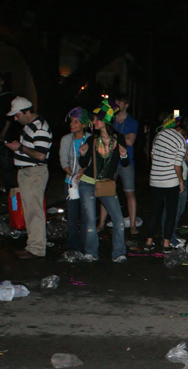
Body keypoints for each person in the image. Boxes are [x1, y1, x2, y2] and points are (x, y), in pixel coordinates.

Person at [76, 100, 130, 263]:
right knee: (91, 221)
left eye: (96, 119)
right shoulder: (92, 139)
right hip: (87, 183)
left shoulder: (117, 139)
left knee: (118, 220)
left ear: (104, 121)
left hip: (106, 184)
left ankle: (119, 253)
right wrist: (83, 154)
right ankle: (91, 252)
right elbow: (84, 165)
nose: (93, 122)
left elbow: (125, 164)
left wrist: (123, 155)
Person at [5, 97, 52, 259]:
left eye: (17, 115)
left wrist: (20, 147)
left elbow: (40, 155)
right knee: (30, 210)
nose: (15, 119)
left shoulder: (39, 128)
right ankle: (32, 245)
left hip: (34, 172)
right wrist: (18, 149)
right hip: (28, 172)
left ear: (27, 112)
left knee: (34, 211)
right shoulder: (30, 127)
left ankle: (37, 248)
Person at [143, 115, 188, 252]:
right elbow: (177, 165)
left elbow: (152, 155)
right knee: (170, 212)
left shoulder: (160, 134)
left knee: (155, 211)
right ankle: (166, 244)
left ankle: (148, 242)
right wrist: (181, 181)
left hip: (155, 178)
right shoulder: (181, 141)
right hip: (170, 181)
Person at [99, 94, 139, 235]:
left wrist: (114, 135)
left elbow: (130, 142)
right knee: (106, 191)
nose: (117, 104)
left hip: (126, 161)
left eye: (120, 102)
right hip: (110, 160)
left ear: (126, 104)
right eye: (115, 102)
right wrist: (122, 136)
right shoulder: (110, 119)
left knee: (129, 192)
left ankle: (133, 224)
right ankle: (101, 223)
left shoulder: (132, 122)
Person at [58, 107, 91, 261]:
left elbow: (92, 161)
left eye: (76, 122)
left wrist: (82, 173)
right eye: (71, 121)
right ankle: (72, 247)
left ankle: (85, 247)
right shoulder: (66, 139)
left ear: (83, 124)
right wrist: (72, 173)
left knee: (86, 217)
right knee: (72, 217)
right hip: (71, 182)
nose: (72, 125)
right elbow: (63, 160)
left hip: (86, 182)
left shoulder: (90, 139)